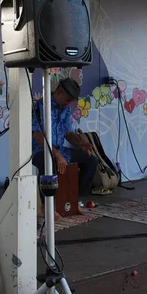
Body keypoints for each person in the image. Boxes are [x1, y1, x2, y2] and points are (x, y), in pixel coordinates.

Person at [31, 77, 98, 216]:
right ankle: (46, 207)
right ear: (59, 92)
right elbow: (38, 136)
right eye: (68, 100)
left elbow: (68, 133)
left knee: (91, 160)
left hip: (59, 150)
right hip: (39, 150)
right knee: (48, 162)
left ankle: (75, 201)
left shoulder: (65, 110)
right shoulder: (40, 107)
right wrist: (56, 155)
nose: (69, 104)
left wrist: (82, 143)